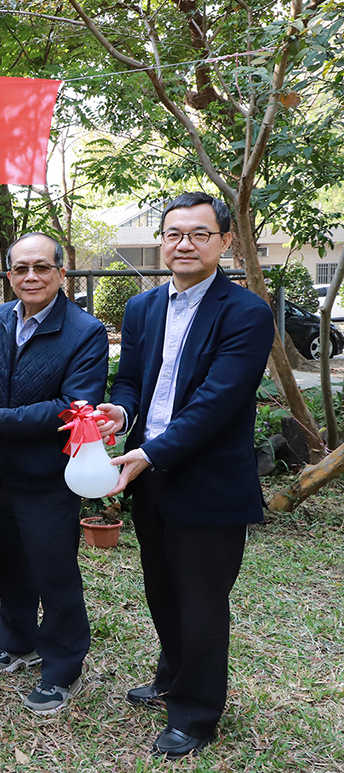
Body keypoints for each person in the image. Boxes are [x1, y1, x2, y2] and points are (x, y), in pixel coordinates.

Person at [95, 192, 273, 759]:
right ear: (162, 241)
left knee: (200, 597)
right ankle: (173, 675)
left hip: (208, 478)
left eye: (199, 233)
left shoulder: (246, 313)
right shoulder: (144, 308)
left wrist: (150, 452)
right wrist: (119, 414)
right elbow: (132, 380)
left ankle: (196, 713)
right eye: (174, 233)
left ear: (225, 241)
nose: (184, 243)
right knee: (162, 588)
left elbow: (217, 402)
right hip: (150, 472)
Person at [0, 233, 108, 714]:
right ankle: (18, 641)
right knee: (7, 564)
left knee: (53, 572)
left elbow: (72, 406)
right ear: (8, 276)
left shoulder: (85, 331)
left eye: (42, 267)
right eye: (20, 269)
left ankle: (62, 668)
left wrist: (0, 418)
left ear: (62, 273)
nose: (31, 277)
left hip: (48, 473)